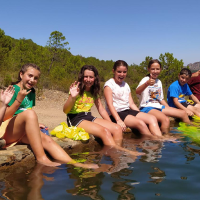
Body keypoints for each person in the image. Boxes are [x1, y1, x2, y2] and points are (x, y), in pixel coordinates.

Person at [1, 63, 98, 168]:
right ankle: (41, 158)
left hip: (21, 131)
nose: (32, 80)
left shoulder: (31, 92)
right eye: (30, 76)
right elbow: (4, 117)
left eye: (36, 78)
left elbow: (22, 113)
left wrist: (34, 123)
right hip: (6, 132)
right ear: (21, 75)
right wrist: (18, 100)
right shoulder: (13, 90)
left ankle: (76, 164)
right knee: (30, 113)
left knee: (47, 140)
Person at [63, 65, 143, 155]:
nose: (88, 80)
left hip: (88, 116)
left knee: (117, 128)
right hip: (76, 119)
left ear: (95, 78)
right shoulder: (76, 89)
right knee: (104, 131)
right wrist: (72, 98)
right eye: (86, 76)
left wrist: (111, 124)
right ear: (82, 77)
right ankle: (119, 151)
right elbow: (65, 110)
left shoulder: (94, 91)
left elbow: (101, 110)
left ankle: (116, 157)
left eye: (91, 77)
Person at [104, 60, 163, 139]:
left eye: (124, 72)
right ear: (113, 71)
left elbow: (131, 104)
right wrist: (118, 120)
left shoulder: (126, 85)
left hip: (127, 111)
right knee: (140, 123)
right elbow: (110, 105)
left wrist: (140, 114)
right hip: (116, 113)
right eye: (119, 72)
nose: (122, 74)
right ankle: (154, 139)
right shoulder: (109, 85)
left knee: (152, 118)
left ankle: (159, 137)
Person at [136, 59, 190, 134]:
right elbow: (137, 91)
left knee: (183, 113)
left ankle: (189, 131)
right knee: (165, 119)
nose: (155, 71)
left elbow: (160, 99)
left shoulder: (159, 82)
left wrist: (169, 108)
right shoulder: (145, 79)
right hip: (146, 107)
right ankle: (165, 138)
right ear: (148, 69)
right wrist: (146, 84)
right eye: (153, 69)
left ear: (160, 69)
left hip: (158, 106)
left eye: (157, 69)